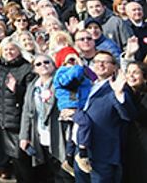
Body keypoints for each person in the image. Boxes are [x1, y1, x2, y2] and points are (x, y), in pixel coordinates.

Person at [74, 50, 136, 183]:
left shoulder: (118, 87)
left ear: (114, 67)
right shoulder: (89, 86)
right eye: (97, 61)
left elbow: (128, 115)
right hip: (82, 152)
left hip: (103, 155)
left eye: (105, 62)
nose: (100, 65)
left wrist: (119, 93)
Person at [0, 36, 34, 181]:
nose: (9, 52)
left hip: (18, 119)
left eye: (12, 49)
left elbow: (30, 96)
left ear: (19, 51)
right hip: (3, 119)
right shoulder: (1, 68)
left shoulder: (26, 68)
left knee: (20, 157)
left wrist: (16, 88)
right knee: (12, 157)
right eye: (6, 50)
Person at [18, 51, 63, 183]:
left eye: (46, 62)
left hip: (57, 134)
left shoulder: (60, 82)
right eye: (38, 64)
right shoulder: (33, 86)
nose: (43, 65)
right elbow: (26, 112)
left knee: (60, 172)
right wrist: (24, 136)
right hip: (39, 134)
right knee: (44, 171)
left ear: (53, 65)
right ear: (34, 69)